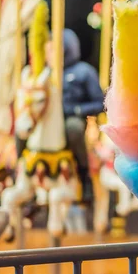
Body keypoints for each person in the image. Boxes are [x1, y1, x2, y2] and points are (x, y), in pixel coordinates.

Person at [16, 29, 104, 204]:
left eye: (53, 50)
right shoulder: (45, 74)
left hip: (70, 117)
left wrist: (77, 109)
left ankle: (83, 176)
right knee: (21, 127)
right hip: (46, 118)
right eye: (47, 50)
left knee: (74, 129)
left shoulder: (83, 71)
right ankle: (20, 171)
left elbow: (100, 103)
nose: (49, 54)